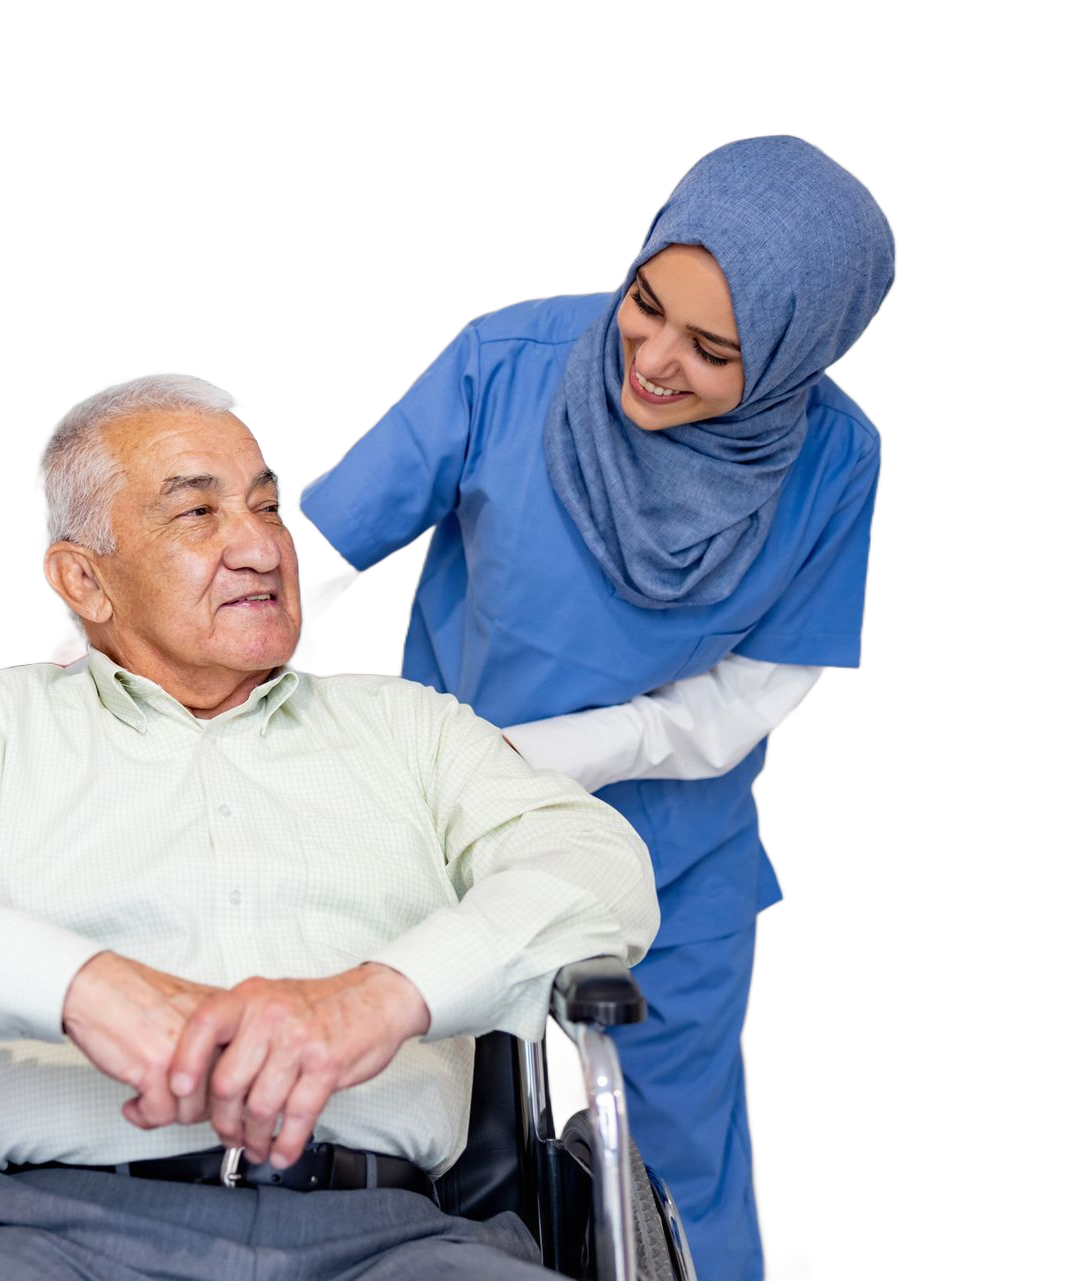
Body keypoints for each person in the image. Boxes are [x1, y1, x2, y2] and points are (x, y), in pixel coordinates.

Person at [0, 369, 659, 1280]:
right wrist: (78, 985)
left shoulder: (415, 731)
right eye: (199, 512)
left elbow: (599, 868)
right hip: (36, 1234)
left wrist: (383, 997)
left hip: (392, 1237)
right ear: (83, 579)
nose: (261, 547)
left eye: (266, 506)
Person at [290, 134, 896, 1279]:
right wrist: (183, 615)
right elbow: (325, 541)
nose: (655, 359)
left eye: (713, 349)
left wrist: (532, 753)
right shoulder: (511, 360)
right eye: (646, 303)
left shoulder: (835, 459)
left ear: (791, 354)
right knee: (392, 1127)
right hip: (441, 834)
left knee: (672, 1161)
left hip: (667, 857)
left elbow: (739, 708)